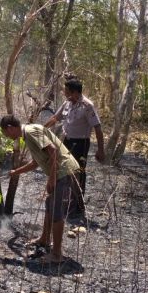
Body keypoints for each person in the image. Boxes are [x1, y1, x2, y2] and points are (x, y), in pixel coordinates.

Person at [1, 115, 81, 263]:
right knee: (49, 204)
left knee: (57, 211)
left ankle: (57, 254)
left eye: (6, 134)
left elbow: (54, 151)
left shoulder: (31, 131)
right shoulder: (28, 135)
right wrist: (15, 172)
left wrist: (51, 178)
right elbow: (35, 163)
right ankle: (44, 239)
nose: (7, 137)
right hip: (60, 173)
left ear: (10, 128)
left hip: (64, 172)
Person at [45, 78, 104, 218]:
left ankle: (78, 206)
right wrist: (41, 128)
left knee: (78, 173)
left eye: (67, 92)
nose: (65, 95)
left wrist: (101, 150)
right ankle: (65, 202)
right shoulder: (67, 103)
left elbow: (98, 127)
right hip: (66, 142)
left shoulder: (87, 106)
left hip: (81, 144)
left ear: (76, 92)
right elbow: (55, 118)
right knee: (64, 171)